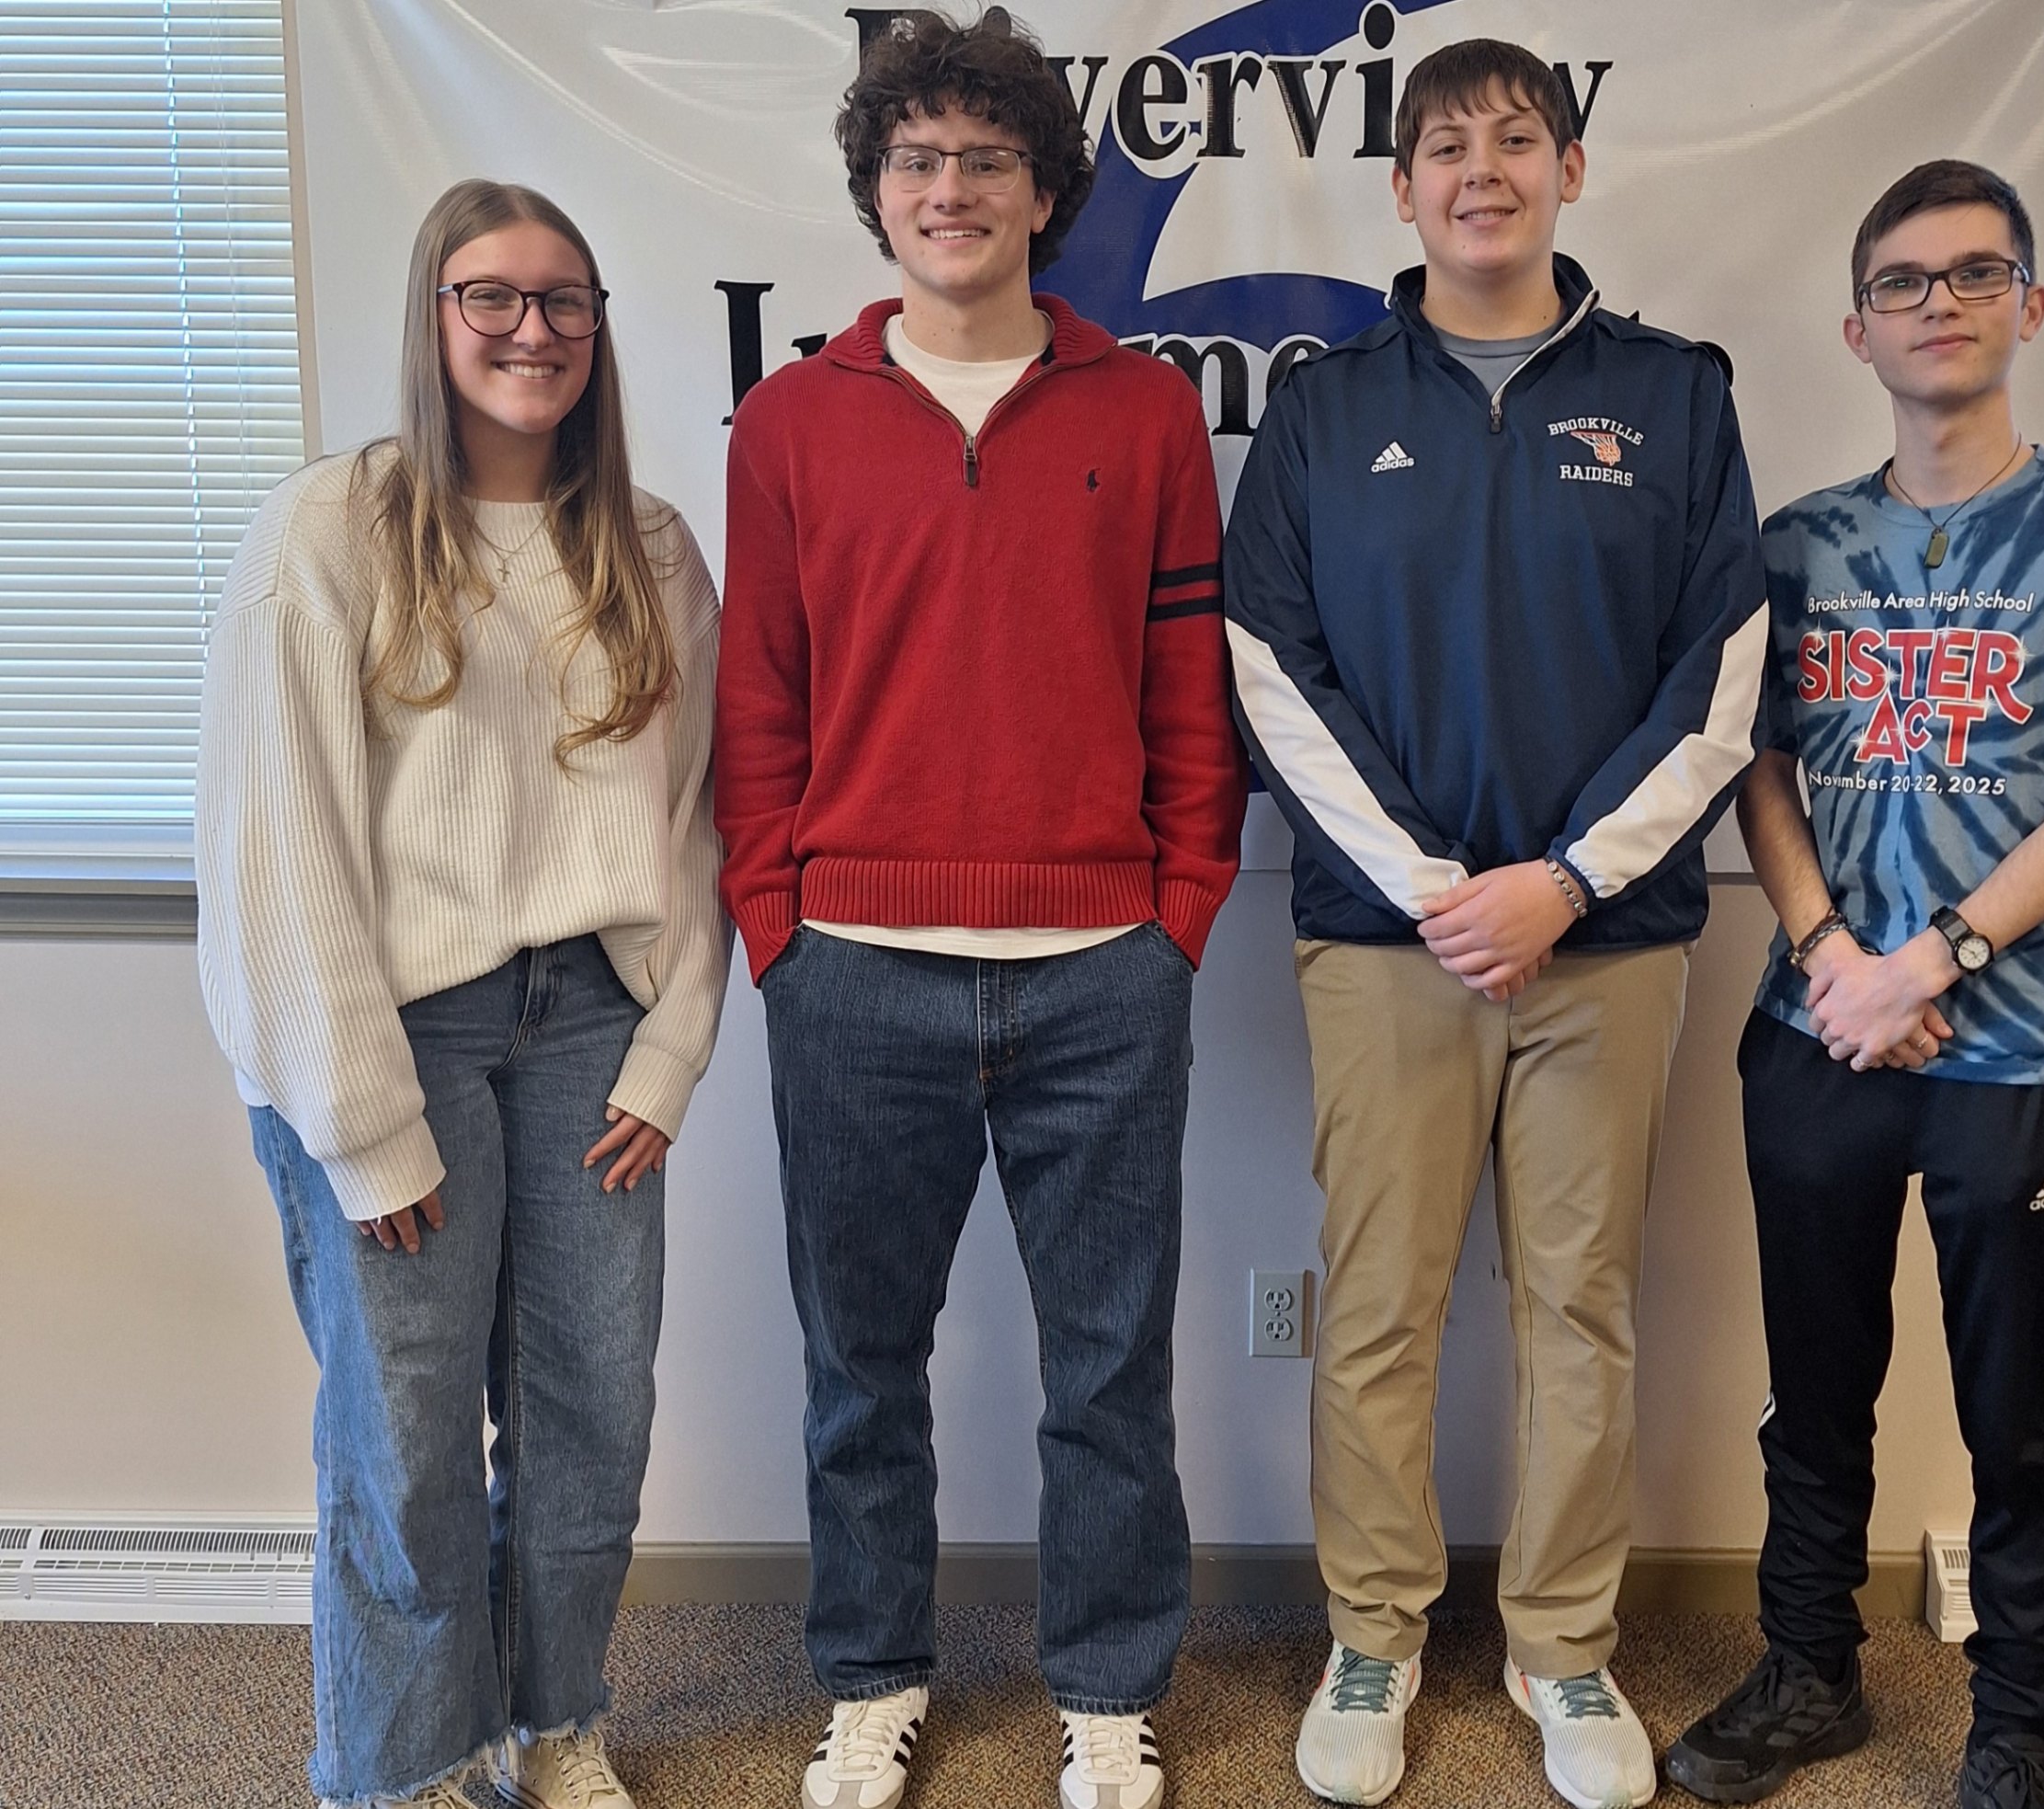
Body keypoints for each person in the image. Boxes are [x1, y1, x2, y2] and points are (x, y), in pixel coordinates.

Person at [1224, 38, 1768, 1809]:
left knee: (1577, 1311)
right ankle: (1373, 1633)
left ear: (1569, 168)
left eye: (1514, 140)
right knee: (1377, 1306)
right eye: (1442, 146)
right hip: (1386, 945)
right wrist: (1437, 891)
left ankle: (1563, 1648)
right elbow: (1265, 669)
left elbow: (1721, 680)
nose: (1481, 171)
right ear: (1397, 190)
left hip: (1605, 946)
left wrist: (1566, 880)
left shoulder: (1677, 396)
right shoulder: (1318, 407)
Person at [712, 13, 1247, 1809]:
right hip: (852, 968)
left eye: (988, 162)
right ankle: (870, 1676)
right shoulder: (791, 422)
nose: (953, 191)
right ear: (876, 193)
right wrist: (777, 927)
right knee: (860, 1369)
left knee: (1107, 1370)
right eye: (919, 161)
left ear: (1045, 196)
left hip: (1104, 966)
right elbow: (760, 701)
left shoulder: (1146, 409)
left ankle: (1107, 1686)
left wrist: (1182, 910)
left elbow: (1190, 688)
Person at [1661, 161, 2044, 1809]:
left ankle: (2015, 1729)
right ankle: (1806, 1675)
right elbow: (1756, 771)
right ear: (1856, 327)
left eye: (1973, 275)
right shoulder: (1797, 546)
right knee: (1811, 1392)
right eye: (1904, 282)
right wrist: (1839, 961)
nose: (1939, 303)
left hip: (2011, 1049)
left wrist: (1936, 956)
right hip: (1815, 1032)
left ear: (2027, 306)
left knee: (2008, 1414)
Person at [196, 179, 727, 1809]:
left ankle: (551, 1724)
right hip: (394, 1033)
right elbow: (272, 848)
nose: (531, 330)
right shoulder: (331, 532)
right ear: (432, 316)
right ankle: (408, 1759)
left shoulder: (645, 549)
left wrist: (672, 1045)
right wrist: (361, 1125)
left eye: (564, 301)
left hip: (589, 1032)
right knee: (406, 1436)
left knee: (588, 1418)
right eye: (491, 297)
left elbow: (696, 815)